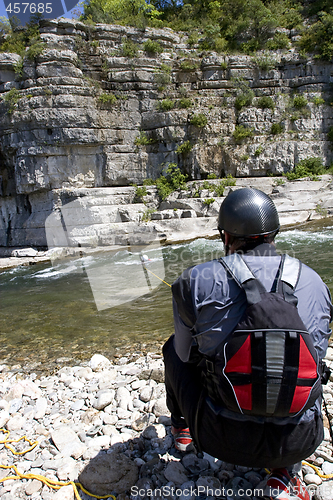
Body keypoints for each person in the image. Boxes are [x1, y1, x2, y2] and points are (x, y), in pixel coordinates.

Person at [163, 187, 333, 500]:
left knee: (171, 349)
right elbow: (315, 361)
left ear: (226, 236)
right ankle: (284, 474)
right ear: (275, 234)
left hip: (220, 438)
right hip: (300, 440)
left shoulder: (194, 280)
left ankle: (183, 431)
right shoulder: (316, 283)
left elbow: (185, 354)